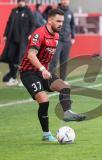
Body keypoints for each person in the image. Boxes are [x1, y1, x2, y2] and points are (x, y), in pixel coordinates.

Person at [19, 9, 86, 142]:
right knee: (44, 100)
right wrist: (43, 68)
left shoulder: (56, 35)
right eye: (58, 21)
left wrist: (45, 70)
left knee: (65, 86)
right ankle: (46, 135)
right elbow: (31, 55)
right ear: (50, 21)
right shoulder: (39, 34)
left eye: (62, 21)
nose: (61, 24)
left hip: (43, 72)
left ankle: (67, 113)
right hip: (29, 73)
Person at [0, 0, 35, 86]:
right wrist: (5, 34)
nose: (20, 3)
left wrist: (30, 34)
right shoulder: (14, 11)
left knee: (22, 61)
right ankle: (13, 78)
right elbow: (8, 24)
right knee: (10, 59)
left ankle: (23, 80)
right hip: (12, 40)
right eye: (19, 1)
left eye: (22, 1)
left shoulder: (28, 12)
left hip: (23, 41)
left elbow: (33, 24)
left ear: (25, 2)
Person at [49, 0, 75, 80]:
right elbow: (50, 24)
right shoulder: (55, 12)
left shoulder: (70, 12)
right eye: (64, 0)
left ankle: (62, 81)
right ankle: (50, 81)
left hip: (67, 41)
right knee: (54, 61)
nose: (65, 1)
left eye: (67, 0)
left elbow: (72, 25)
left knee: (64, 63)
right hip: (57, 40)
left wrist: (73, 37)